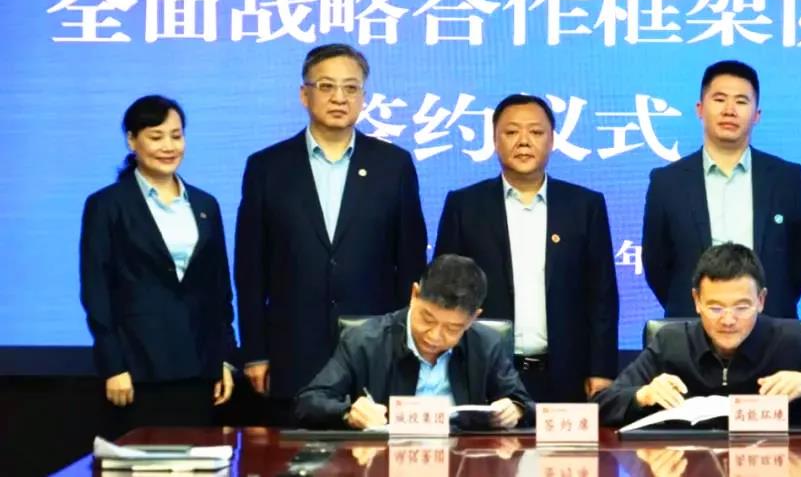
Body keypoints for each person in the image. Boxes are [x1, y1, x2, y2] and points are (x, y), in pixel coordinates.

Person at [234, 44, 427, 421]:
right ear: (304, 94)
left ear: (363, 97)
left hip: (375, 353)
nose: (340, 97)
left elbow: (410, 264)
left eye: (351, 88)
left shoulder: (393, 165)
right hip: (293, 351)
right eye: (326, 86)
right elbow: (250, 270)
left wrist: (407, 349)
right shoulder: (267, 167)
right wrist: (255, 351)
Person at [433, 94, 618, 402]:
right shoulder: (464, 206)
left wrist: (601, 368)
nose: (523, 141)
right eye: (511, 132)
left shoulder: (585, 205)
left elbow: (602, 294)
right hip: (484, 370)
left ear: (552, 140)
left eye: (535, 132)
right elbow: (444, 292)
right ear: (495, 140)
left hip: (566, 373)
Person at [595, 243, 801, 427]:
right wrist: (642, 395)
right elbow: (599, 406)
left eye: (742, 307)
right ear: (696, 301)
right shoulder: (671, 342)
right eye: (715, 307)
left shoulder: (791, 341)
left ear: (761, 300)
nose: (728, 320)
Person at [79, 95, 236, 432]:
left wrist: (226, 358)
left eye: (176, 136)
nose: (168, 146)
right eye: (156, 136)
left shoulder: (205, 204)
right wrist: (113, 366)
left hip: (201, 368)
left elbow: (220, 289)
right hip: (137, 369)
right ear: (132, 140)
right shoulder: (107, 205)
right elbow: (96, 290)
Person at [643, 60, 801, 319]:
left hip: (770, 326)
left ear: (757, 114)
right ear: (700, 109)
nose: (730, 110)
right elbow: (656, 265)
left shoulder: (787, 178)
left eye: (741, 101)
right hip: (693, 325)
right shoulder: (667, 182)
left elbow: (800, 262)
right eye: (719, 99)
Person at [295, 254, 532, 430]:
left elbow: (525, 404)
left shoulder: (486, 344)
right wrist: (348, 413)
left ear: (473, 318)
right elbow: (308, 403)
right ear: (414, 294)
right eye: (427, 319)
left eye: (452, 328)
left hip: (460, 463)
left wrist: (516, 409)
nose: (435, 336)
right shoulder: (364, 340)